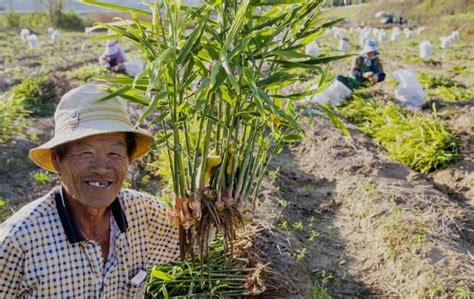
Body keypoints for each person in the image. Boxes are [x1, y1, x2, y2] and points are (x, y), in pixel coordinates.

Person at [0, 84, 181, 297]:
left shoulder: (143, 213)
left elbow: (193, 243)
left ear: (129, 159)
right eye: (85, 153)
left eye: (115, 153)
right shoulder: (17, 242)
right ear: (57, 160)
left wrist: (209, 200)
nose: (102, 168)